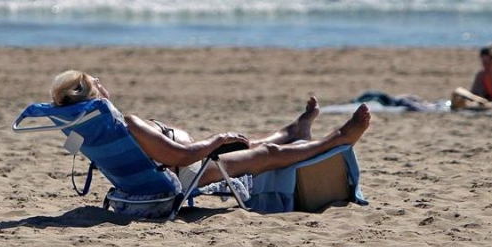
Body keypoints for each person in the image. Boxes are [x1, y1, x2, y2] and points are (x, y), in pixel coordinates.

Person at [49, 70, 370, 190]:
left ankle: (295, 130)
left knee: (248, 143)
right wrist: (216, 140)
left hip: (184, 163)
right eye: (96, 83)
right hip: (187, 171)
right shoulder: (126, 123)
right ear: (92, 96)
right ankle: (337, 139)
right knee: (266, 154)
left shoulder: (95, 128)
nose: (103, 83)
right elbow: (179, 154)